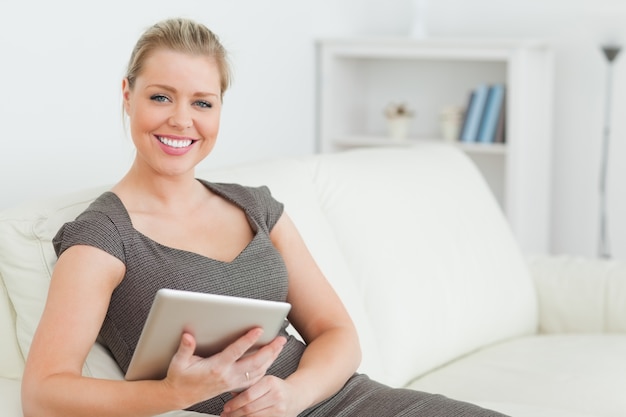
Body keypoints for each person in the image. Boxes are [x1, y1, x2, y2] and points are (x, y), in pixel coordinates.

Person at [21, 17, 508, 417]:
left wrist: (293, 395)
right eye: (160, 96)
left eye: (203, 103)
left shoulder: (256, 207)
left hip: (343, 400)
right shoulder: (102, 238)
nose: (181, 120)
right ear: (127, 95)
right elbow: (43, 393)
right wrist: (174, 394)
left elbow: (338, 334)